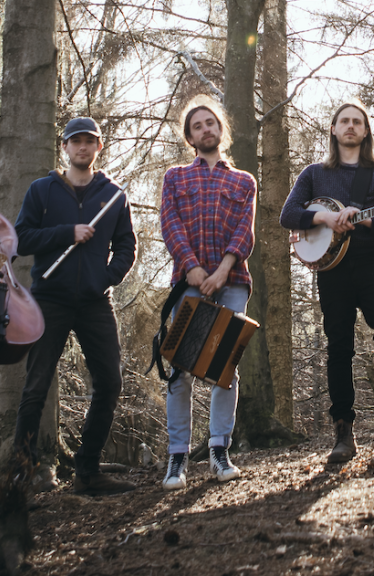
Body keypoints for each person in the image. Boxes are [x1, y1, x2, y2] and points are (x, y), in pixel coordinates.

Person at [280, 100, 374, 463]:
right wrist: (324, 216)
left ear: (366, 131)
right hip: (332, 268)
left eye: (358, 122)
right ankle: (343, 434)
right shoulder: (313, 174)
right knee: (339, 345)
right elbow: (288, 216)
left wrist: (367, 221)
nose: (351, 126)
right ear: (334, 129)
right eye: (344, 121)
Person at [12, 116, 138, 495]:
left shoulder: (114, 194)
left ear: (99, 147)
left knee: (110, 383)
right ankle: (20, 476)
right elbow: (21, 239)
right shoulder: (42, 190)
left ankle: (86, 471)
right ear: (64, 147)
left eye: (90, 141)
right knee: (35, 386)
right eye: (75, 141)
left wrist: (104, 279)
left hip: (95, 302)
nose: (82, 147)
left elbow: (127, 247)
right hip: (49, 298)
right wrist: (67, 233)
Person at [159, 97, 256, 489]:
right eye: (197, 126)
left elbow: (244, 231)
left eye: (210, 123)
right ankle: (177, 458)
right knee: (180, 370)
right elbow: (170, 224)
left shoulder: (243, 181)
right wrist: (196, 270)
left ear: (221, 130)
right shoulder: (175, 177)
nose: (205, 130)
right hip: (189, 284)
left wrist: (222, 270)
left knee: (224, 370)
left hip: (232, 283)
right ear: (189, 137)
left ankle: (219, 450)